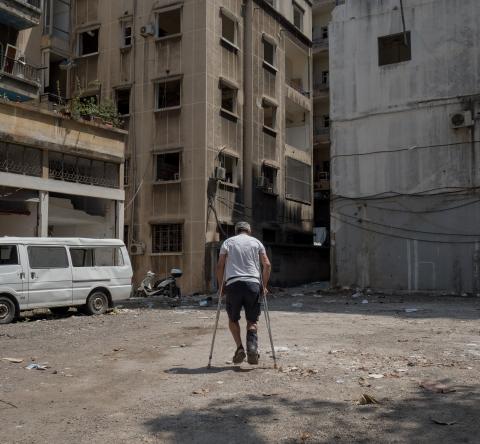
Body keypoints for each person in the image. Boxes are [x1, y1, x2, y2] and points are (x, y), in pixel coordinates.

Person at [216, 221, 271, 365]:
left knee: (233, 319)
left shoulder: (228, 242)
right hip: (253, 284)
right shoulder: (256, 242)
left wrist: (221, 287)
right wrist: (263, 286)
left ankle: (240, 348)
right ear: (249, 230)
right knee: (252, 320)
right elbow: (267, 265)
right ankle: (252, 347)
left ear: (236, 231)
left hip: (233, 284)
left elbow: (220, 265)